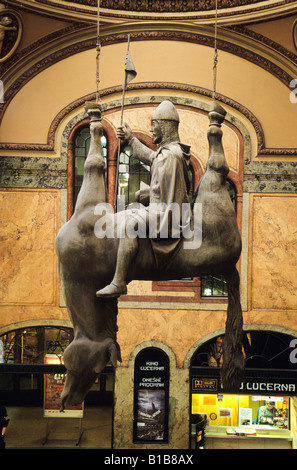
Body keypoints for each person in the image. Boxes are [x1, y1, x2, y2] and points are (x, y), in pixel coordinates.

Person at [96, 100, 191, 298]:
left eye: (154, 125)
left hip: (168, 215)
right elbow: (152, 158)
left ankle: (119, 281)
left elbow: (168, 196)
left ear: (164, 126)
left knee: (131, 224)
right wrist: (131, 140)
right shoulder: (168, 153)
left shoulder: (171, 156)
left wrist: (149, 194)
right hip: (162, 208)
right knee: (125, 213)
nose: (151, 129)